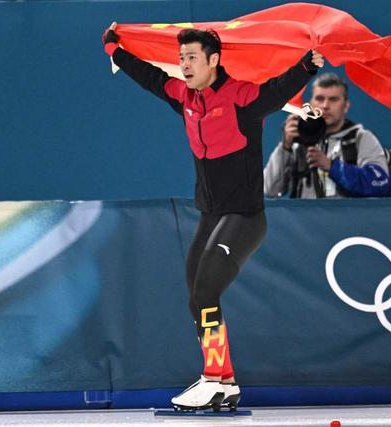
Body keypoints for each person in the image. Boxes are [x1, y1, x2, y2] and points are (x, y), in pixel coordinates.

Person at [102, 23, 323, 411]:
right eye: (181, 58)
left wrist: (307, 66)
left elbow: (276, 90)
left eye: (192, 57)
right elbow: (151, 78)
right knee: (197, 297)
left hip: (245, 217)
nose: (184, 64)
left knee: (205, 292)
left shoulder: (241, 96)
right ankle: (225, 381)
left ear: (214, 60)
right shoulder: (184, 96)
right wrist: (116, 52)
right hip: (211, 214)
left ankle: (212, 378)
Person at [264, 73, 390, 198]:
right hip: (305, 212)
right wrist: (285, 146)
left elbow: (380, 184)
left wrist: (332, 166)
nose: (325, 106)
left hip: (347, 212)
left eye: (333, 99)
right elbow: (270, 190)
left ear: (346, 106)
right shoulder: (297, 141)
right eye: (319, 99)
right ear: (311, 103)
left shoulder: (361, 139)